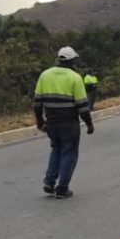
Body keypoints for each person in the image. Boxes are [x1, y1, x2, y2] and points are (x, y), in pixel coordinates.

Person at [34, 46, 94, 199]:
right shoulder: (75, 78)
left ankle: (49, 181)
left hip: (52, 122)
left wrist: (40, 122)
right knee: (69, 153)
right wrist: (89, 124)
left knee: (56, 150)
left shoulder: (44, 75)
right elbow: (82, 106)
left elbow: (37, 104)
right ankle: (62, 188)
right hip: (69, 123)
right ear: (72, 61)